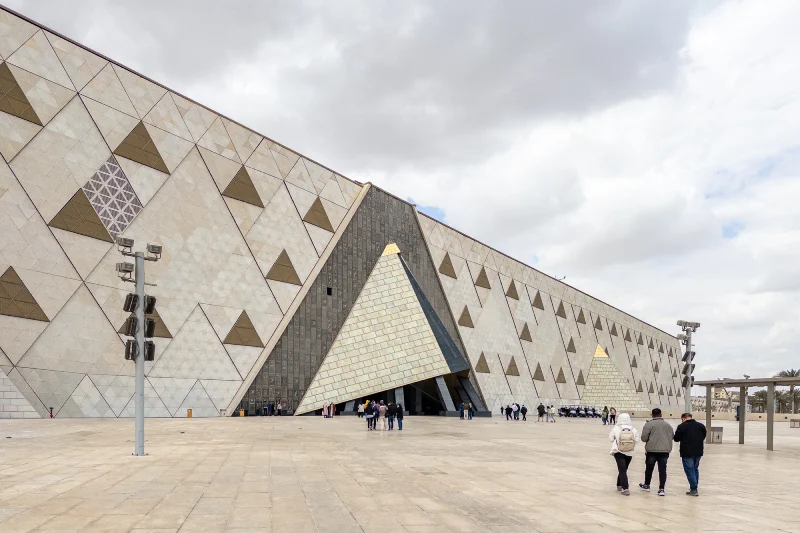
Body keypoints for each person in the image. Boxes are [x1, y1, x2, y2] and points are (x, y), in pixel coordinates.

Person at [638, 408, 674, 496]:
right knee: (662, 470)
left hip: (652, 450)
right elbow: (672, 436)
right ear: (661, 415)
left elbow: (644, 438)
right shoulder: (668, 425)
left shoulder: (649, 424)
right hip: (665, 451)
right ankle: (661, 489)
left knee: (649, 468)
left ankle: (647, 485)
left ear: (652, 415)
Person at [674, 412, 706, 496]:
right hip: (698, 451)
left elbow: (676, 439)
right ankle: (694, 486)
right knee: (695, 469)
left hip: (687, 451)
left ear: (683, 418)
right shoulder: (701, 426)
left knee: (689, 469)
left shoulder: (681, 426)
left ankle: (694, 489)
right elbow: (703, 436)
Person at [609, 413, 639, 496]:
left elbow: (610, 439)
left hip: (618, 451)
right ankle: (619, 484)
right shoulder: (633, 429)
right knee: (624, 469)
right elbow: (637, 440)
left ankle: (625, 488)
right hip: (629, 452)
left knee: (622, 470)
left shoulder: (616, 428)